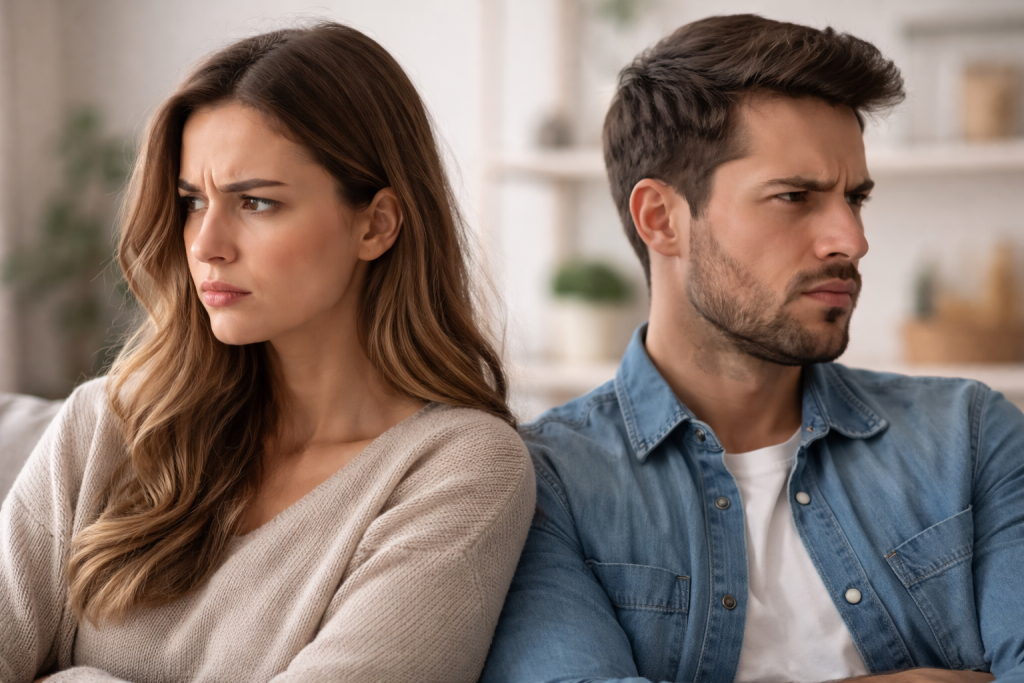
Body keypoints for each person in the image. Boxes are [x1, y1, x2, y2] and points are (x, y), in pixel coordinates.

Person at [481, 14, 1024, 683]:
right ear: (662, 219)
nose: (851, 240)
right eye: (794, 197)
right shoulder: (545, 484)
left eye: (855, 199)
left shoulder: (970, 438)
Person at [0, 22, 535, 683]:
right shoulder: (110, 421)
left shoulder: (460, 469)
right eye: (192, 202)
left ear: (376, 224)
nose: (206, 245)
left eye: (255, 202)